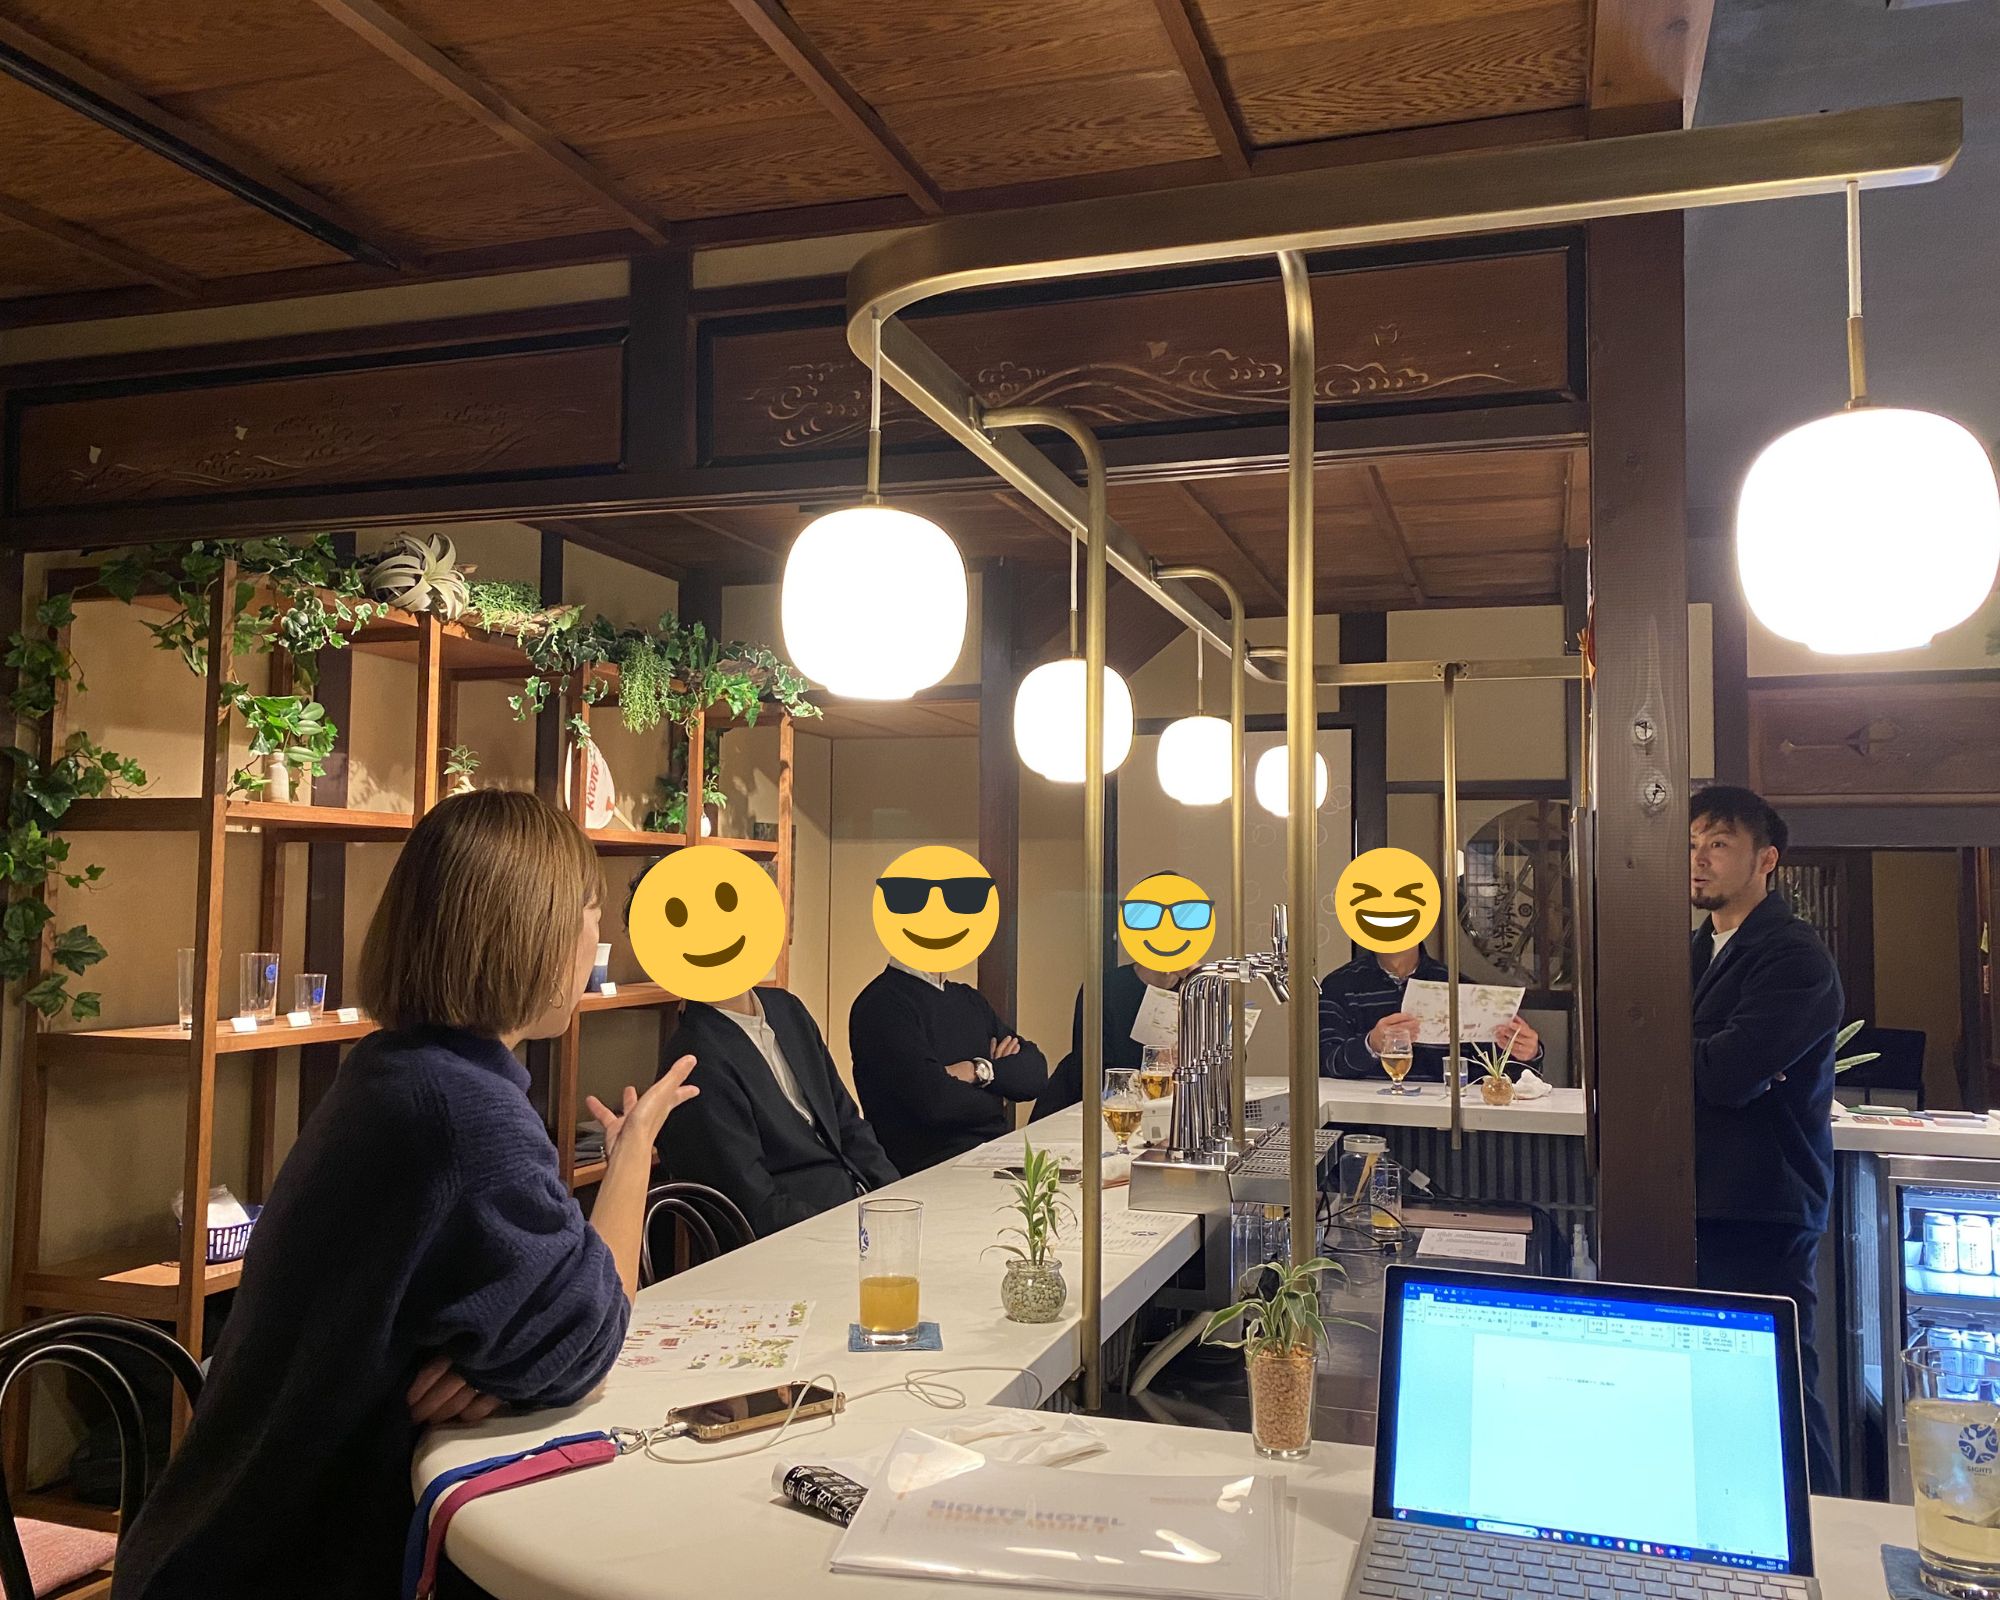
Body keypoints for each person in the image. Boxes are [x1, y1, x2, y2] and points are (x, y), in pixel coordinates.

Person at [114, 792, 700, 1600]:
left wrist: (510, 1359)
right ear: (532, 932)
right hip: (285, 1567)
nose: (598, 937)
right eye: (589, 912)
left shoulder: (398, 1069)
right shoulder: (467, 1112)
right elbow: (591, 1340)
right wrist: (633, 1153)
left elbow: (546, 1328)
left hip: (215, 1540)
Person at [1688, 784, 1842, 1492]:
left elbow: (1728, 1074)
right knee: (1708, 1387)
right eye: (1693, 844)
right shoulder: (1696, 950)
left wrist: (1680, 1050)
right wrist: (1699, 1050)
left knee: (1777, 1385)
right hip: (1694, 1194)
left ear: (1765, 860)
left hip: (1763, 1201)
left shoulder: (1794, 956)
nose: (1699, 859)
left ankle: (1822, 1527)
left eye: (1719, 844)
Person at [655, 982, 900, 1236]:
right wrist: (847, 1228)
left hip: (859, 1207)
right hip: (803, 1234)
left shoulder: (786, 1007)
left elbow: (846, 1120)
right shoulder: (694, 1058)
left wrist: (895, 1193)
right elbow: (753, 1205)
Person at [848, 960, 1047, 1175]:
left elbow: (1035, 1074)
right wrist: (1001, 1093)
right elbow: (935, 1102)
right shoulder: (881, 1004)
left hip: (996, 1155)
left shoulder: (969, 999)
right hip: (929, 1170)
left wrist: (977, 1071)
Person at [1318, 941, 1541, 1082]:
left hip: (1443, 1127)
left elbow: (1495, 1074)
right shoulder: (1339, 986)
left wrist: (1527, 1053)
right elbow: (1325, 1063)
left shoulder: (1459, 987)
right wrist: (1370, 1045)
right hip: (1363, 1124)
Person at [1031, 958, 1183, 1122]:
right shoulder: (1104, 987)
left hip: (1164, 1113)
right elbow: (1090, 1067)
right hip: (1087, 1108)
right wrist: (1152, 1065)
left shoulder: (1193, 990)